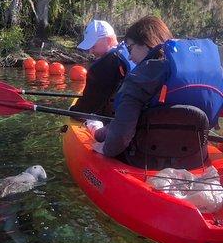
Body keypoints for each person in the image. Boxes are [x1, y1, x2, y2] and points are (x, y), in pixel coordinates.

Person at [90, 16, 223, 163]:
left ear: (147, 43)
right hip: (196, 160)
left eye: (130, 48)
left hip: (144, 160)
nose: (129, 56)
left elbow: (121, 136)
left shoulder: (139, 77)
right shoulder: (214, 74)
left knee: (102, 134)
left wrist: (105, 148)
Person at [70, 19, 134, 116]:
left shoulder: (104, 64)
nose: (90, 51)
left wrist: (72, 111)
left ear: (108, 40)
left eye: (93, 46)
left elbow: (87, 107)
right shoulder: (128, 51)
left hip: (120, 119)